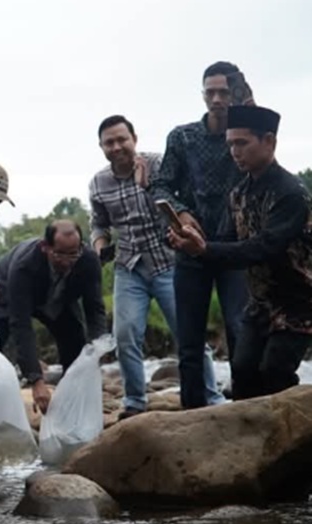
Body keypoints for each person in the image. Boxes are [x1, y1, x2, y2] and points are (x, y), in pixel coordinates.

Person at [169, 106, 312, 400]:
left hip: (299, 302)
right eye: (231, 143)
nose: (234, 151)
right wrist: (189, 242)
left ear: (269, 141)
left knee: (275, 371)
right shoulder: (239, 193)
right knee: (243, 370)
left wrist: (205, 249)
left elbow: (263, 248)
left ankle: (292, 442)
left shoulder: (291, 193)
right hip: (260, 303)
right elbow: (227, 239)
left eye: (242, 143)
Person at [89, 115, 225, 419]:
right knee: (125, 335)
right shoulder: (99, 183)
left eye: (121, 139)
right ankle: (135, 403)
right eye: (109, 142)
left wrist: (149, 186)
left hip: (169, 262)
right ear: (101, 147)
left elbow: (181, 201)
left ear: (134, 139)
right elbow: (98, 223)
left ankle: (212, 396)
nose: (116, 147)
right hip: (129, 266)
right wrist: (99, 245)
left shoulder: (158, 164)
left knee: (189, 333)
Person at [150, 62, 250, 409]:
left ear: (233, 93)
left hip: (233, 249)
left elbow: (261, 175)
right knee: (189, 341)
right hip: (189, 249)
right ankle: (192, 415)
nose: (218, 98)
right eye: (211, 92)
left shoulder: (244, 136)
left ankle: (246, 406)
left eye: (224, 91)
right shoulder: (182, 137)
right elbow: (160, 185)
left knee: (240, 330)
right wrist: (181, 213)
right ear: (203, 94)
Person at [0, 220, 107, 412]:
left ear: (81, 247)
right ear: (45, 247)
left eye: (73, 254)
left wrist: (98, 350)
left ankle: (73, 404)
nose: (66, 262)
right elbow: (20, 324)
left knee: (75, 342)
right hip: (9, 293)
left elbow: (95, 309)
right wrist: (36, 381)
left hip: (60, 297)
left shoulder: (88, 261)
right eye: (59, 254)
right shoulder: (24, 265)